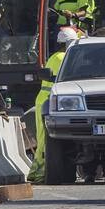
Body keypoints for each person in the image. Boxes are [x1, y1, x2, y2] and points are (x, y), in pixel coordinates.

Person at [27, 25, 82, 184]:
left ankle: (38, 172)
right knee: (46, 140)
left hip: (44, 99)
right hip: (49, 101)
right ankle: (39, 173)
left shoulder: (55, 56)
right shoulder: (63, 57)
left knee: (43, 139)